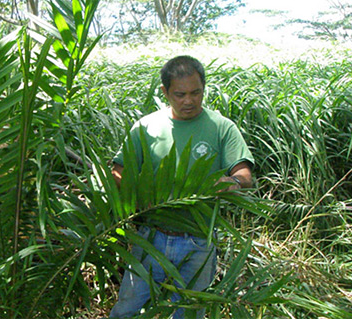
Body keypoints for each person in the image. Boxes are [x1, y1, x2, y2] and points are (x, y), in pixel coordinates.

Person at [108, 55, 255, 318]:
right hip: (151, 238)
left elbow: (244, 173)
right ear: (165, 92)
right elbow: (118, 173)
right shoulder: (146, 127)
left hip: (198, 240)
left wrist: (232, 182)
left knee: (188, 313)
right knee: (127, 310)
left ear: (204, 88)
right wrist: (136, 203)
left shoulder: (222, 128)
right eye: (180, 94)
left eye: (196, 92)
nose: (189, 100)